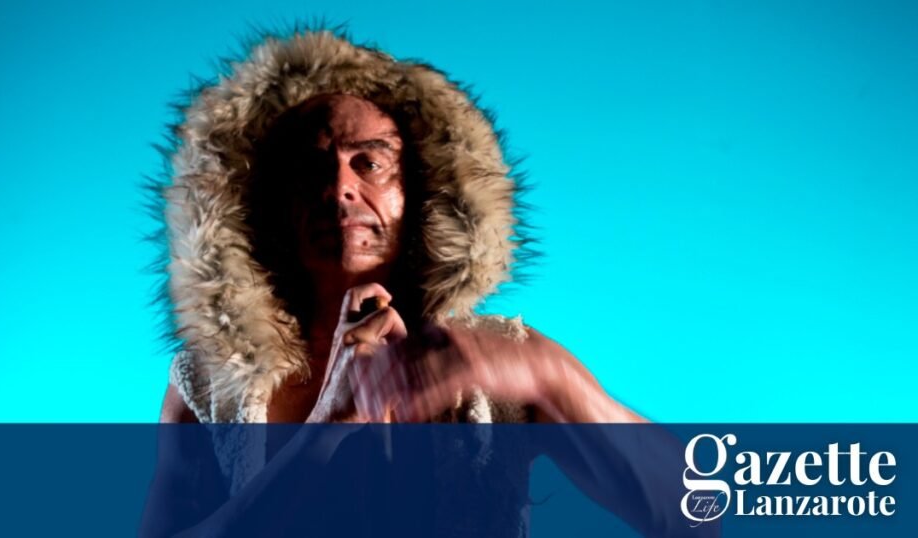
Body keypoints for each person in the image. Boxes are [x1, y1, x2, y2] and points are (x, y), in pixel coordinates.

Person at [143, 29, 712, 538]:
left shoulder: (496, 356)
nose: (339, 188)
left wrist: (549, 377)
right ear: (265, 204)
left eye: (369, 163)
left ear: (422, 191)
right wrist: (325, 430)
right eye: (311, 169)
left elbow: (696, 512)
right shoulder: (209, 382)